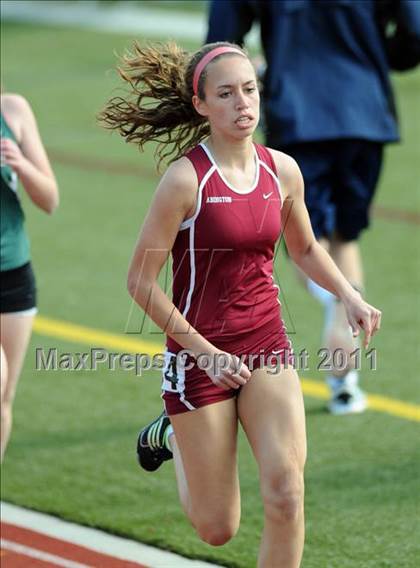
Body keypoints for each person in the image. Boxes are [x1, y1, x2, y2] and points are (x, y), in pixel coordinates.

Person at [100, 41, 381, 567]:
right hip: (199, 357)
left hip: (266, 344)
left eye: (249, 89)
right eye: (226, 94)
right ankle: (171, 431)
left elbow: (303, 248)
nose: (243, 104)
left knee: (286, 492)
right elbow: (140, 281)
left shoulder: (283, 171)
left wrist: (349, 295)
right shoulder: (186, 180)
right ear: (202, 104)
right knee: (216, 528)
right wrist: (205, 353)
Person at [206, 0, 420, 414]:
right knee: (343, 236)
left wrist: (252, 74)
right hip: (365, 112)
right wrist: (374, 53)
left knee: (303, 242)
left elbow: (219, 43)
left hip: (297, 113)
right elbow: (414, 35)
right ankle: (345, 383)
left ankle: (337, 302)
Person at [0, 92, 59, 462]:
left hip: (14, 273)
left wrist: (20, 164)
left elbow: (50, 199)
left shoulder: (14, 110)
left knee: (4, 400)